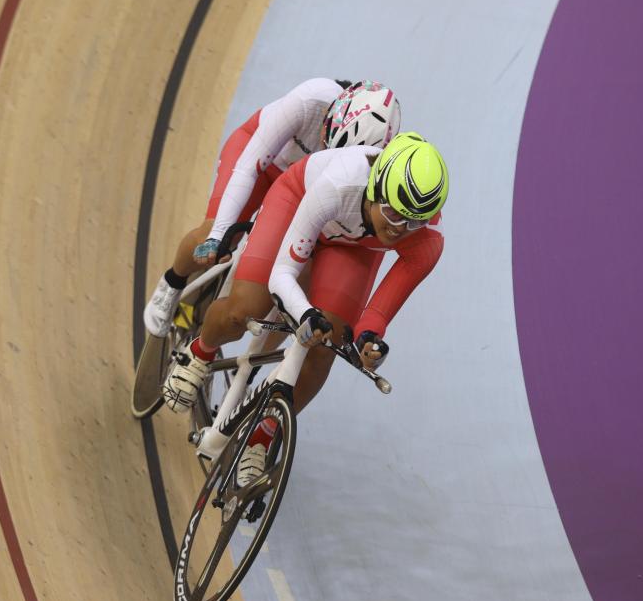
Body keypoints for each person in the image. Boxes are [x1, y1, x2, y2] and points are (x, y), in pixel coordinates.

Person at [162, 133, 448, 485]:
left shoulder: (425, 242)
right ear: (375, 189)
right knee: (245, 309)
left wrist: (370, 342)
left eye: (413, 222)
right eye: (391, 212)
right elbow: (282, 275)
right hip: (298, 202)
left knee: (323, 350)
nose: (398, 228)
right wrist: (305, 312)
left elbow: (376, 316)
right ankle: (200, 351)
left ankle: (263, 434)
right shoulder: (339, 183)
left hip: (354, 248)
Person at [142, 78, 402, 337]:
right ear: (330, 116)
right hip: (265, 164)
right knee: (216, 232)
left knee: (299, 283)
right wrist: (218, 234)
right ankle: (172, 282)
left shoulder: (375, 167)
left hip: (303, 190)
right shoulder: (311, 100)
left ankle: (250, 366)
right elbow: (247, 167)